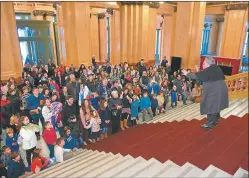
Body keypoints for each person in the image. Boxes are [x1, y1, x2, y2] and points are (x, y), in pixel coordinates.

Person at [182, 56, 229, 129]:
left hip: (214, 91)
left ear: (208, 64)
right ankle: (215, 120)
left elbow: (196, 76)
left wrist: (187, 74)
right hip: (219, 90)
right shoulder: (215, 68)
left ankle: (209, 124)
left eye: (203, 63)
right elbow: (202, 77)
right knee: (216, 105)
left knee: (211, 106)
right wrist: (198, 71)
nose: (202, 65)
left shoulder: (209, 69)